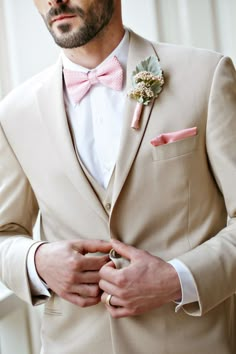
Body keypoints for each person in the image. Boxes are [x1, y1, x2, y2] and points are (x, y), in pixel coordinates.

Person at [0, 0, 236, 353]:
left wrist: (177, 279)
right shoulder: (14, 113)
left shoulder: (206, 74)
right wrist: (36, 261)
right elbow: (4, 234)